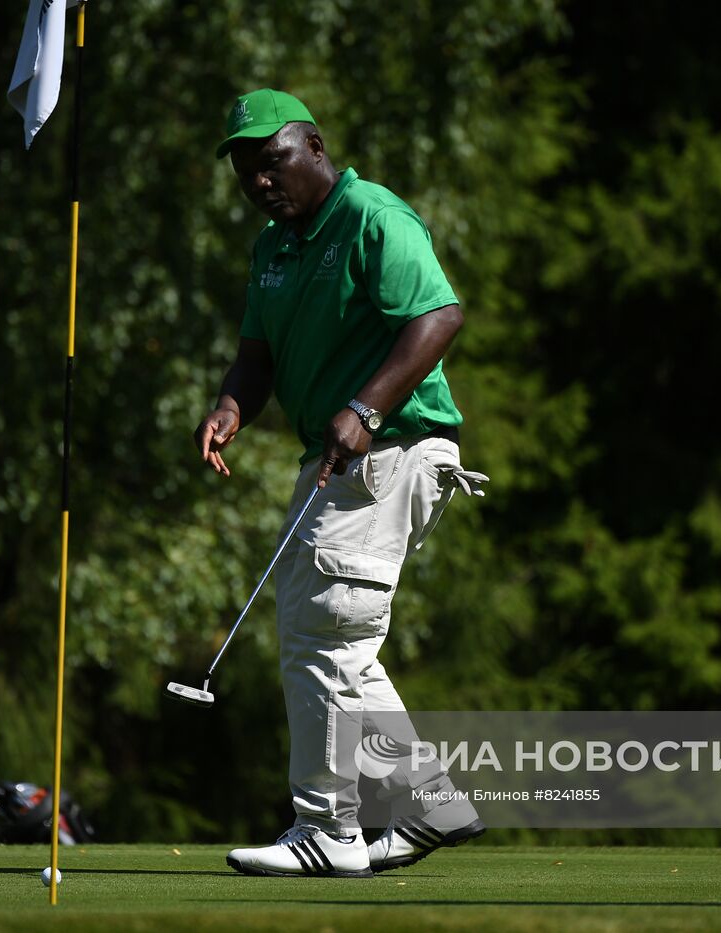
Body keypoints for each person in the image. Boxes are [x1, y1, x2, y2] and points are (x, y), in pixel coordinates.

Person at [196, 89, 488, 877]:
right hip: (337, 457)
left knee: (326, 626)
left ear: (314, 146)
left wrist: (364, 405)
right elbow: (256, 356)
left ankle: (330, 827)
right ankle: (428, 802)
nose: (259, 181)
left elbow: (439, 316)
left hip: (395, 445)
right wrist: (230, 406)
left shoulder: (372, 214)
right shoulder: (272, 249)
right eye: (244, 171)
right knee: (328, 636)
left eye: (271, 161)